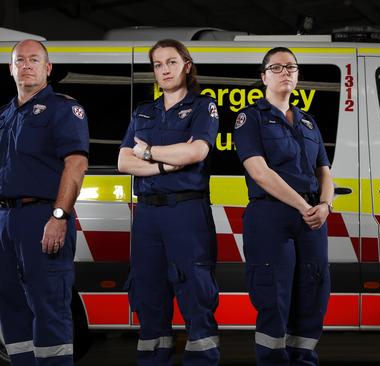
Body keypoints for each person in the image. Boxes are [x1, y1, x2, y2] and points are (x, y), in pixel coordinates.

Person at [0, 39, 89, 366]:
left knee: (49, 305)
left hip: (42, 217)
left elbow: (76, 165)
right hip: (6, 223)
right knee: (10, 306)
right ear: (11, 69)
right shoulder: (0, 117)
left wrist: (59, 216)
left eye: (34, 59)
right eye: (19, 60)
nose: (26, 65)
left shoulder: (63, 109)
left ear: (47, 68)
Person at [117, 39, 220, 366]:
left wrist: (146, 152)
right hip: (147, 215)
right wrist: (165, 163)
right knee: (148, 296)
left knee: (195, 294)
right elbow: (122, 162)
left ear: (186, 65)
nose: (164, 69)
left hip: (185, 212)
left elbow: (196, 152)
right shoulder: (143, 111)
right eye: (158, 64)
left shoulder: (203, 106)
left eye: (171, 62)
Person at [232, 47, 334, 366]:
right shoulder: (250, 118)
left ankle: (304, 360)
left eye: (291, 67)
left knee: (312, 295)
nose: (285, 72)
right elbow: (260, 172)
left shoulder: (308, 122)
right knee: (273, 296)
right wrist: (306, 205)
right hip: (271, 216)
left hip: (313, 220)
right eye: (276, 68)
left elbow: (324, 171)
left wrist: (326, 205)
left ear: (298, 76)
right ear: (263, 77)